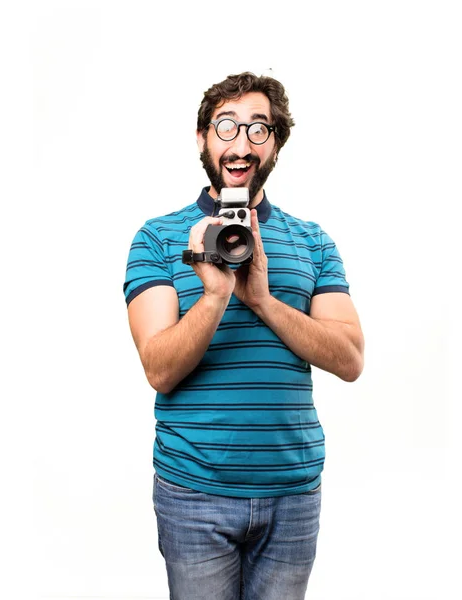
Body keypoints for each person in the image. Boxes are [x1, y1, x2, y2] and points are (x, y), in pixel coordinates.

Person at [124, 72, 364, 600]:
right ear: (202, 139)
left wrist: (262, 300)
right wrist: (214, 295)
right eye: (227, 126)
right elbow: (158, 368)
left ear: (276, 144)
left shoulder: (312, 241)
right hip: (194, 492)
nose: (242, 142)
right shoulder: (159, 238)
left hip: (293, 495)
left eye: (260, 129)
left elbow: (349, 358)